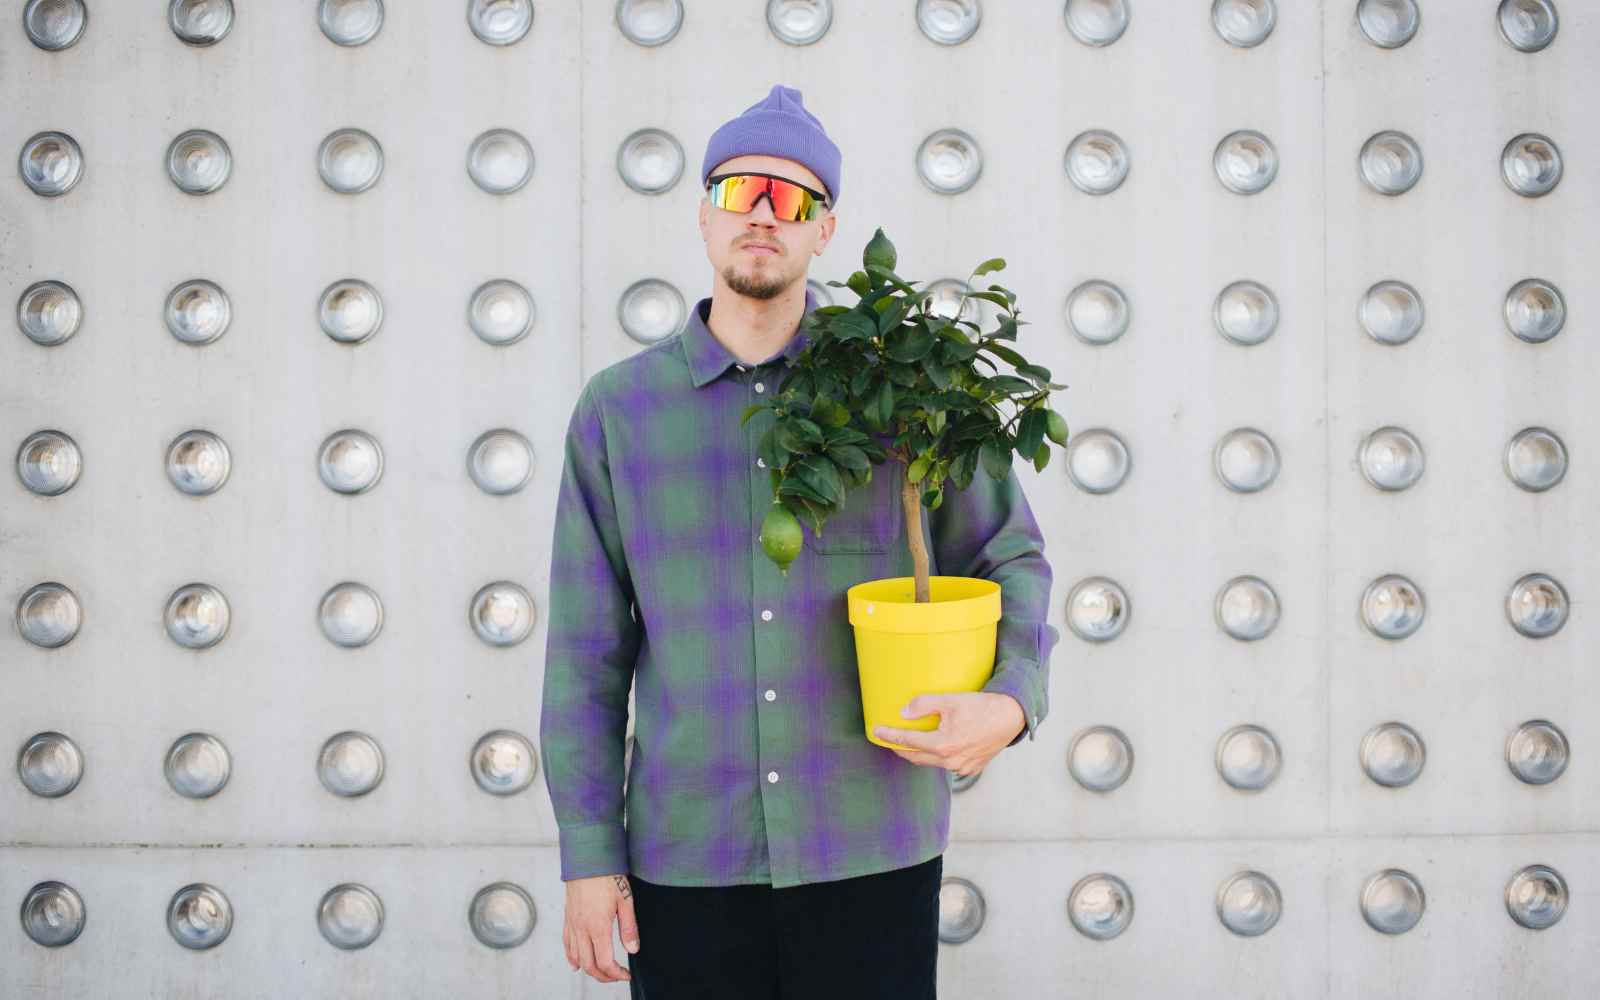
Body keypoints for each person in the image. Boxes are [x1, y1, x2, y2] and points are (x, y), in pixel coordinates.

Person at [540, 83, 1060, 998]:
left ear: (827, 231)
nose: (765, 218)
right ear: (704, 215)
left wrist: (1011, 701)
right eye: (743, 192)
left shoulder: (907, 397)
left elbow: (1008, 555)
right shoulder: (618, 414)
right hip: (687, 860)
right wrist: (589, 858)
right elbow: (586, 657)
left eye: (796, 200)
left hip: (870, 847)